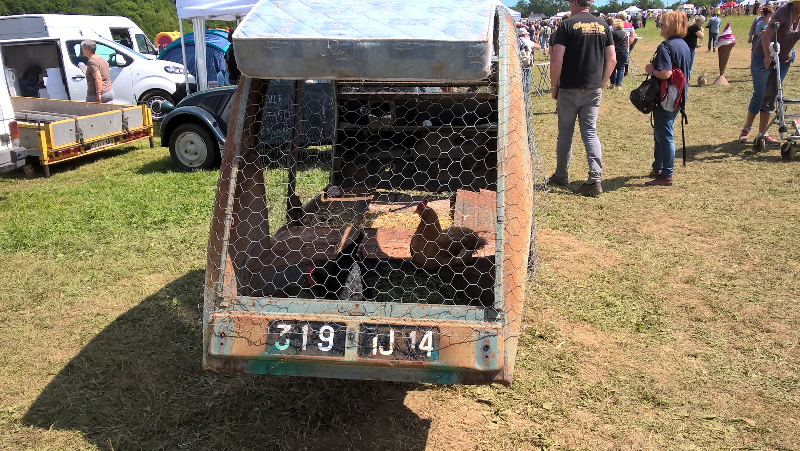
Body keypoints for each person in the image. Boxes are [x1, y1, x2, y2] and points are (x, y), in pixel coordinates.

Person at [547, 0, 615, 196]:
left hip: (569, 88)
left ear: (576, 2)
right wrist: (601, 84)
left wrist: (554, 86)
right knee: (590, 133)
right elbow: (612, 59)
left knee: (565, 134)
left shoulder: (566, 25)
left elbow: (556, 59)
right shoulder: (603, 25)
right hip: (593, 88)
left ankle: (561, 175)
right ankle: (595, 179)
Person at [738, 0, 800, 145]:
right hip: (763, 56)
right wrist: (767, 55)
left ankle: (763, 133)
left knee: (771, 94)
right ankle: (746, 129)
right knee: (761, 93)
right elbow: (766, 36)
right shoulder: (783, 12)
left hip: (783, 60)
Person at [644, 11, 691, 187]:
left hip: (666, 97)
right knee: (661, 131)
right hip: (679, 95)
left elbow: (666, 73)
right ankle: (659, 167)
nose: (660, 26)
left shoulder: (665, 47)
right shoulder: (684, 45)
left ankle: (666, 174)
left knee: (664, 134)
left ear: (670, 26)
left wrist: (651, 70)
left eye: (662, 23)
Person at [609, 19, 629, 90]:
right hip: (624, 52)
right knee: (621, 69)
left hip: (615, 52)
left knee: (613, 68)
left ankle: (613, 83)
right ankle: (619, 85)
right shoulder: (625, 33)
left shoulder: (612, 33)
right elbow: (627, 44)